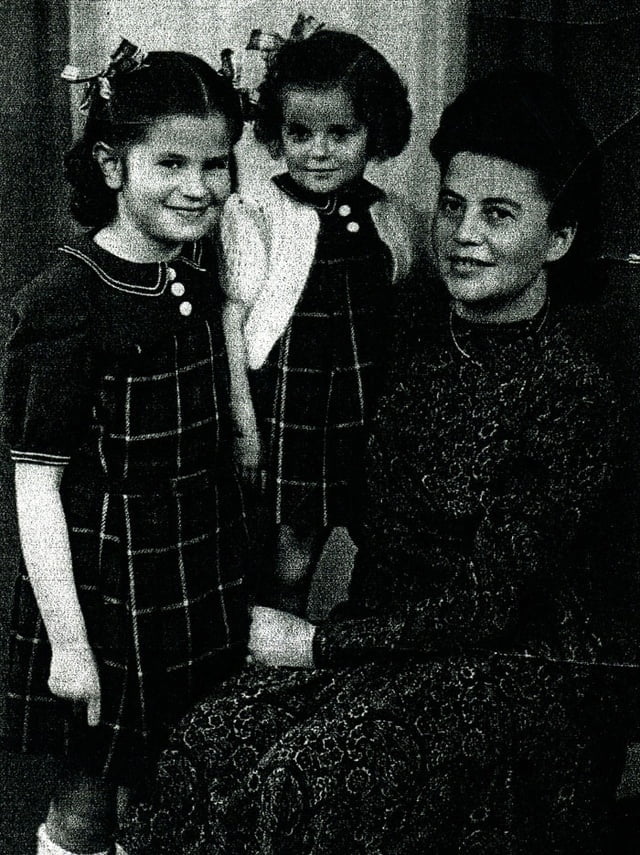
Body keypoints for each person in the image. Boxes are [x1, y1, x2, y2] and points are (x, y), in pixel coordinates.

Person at [119, 69, 638, 854]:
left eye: (499, 214)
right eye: (454, 205)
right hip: (387, 640)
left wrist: (316, 645)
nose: (464, 234)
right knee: (206, 735)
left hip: (515, 668)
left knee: (306, 775)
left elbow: (488, 605)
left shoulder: (570, 391)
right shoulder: (410, 334)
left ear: (558, 237)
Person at [2, 41, 249, 855]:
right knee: (89, 801)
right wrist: (70, 643)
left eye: (216, 163)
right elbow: (38, 486)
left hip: (192, 571)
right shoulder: (68, 297)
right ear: (112, 165)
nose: (198, 185)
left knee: (177, 783)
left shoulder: (196, 271)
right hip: (109, 593)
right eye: (171, 161)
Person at [221, 28, 417, 615]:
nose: (318, 151)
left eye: (341, 133)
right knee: (289, 559)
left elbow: (400, 318)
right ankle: (274, 670)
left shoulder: (392, 217)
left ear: (374, 133)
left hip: (368, 414)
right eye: (300, 133)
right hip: (292, 414)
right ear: (277, 134)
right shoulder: (256, 209)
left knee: (384, 544)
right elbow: (234, 325)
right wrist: (246, 429)